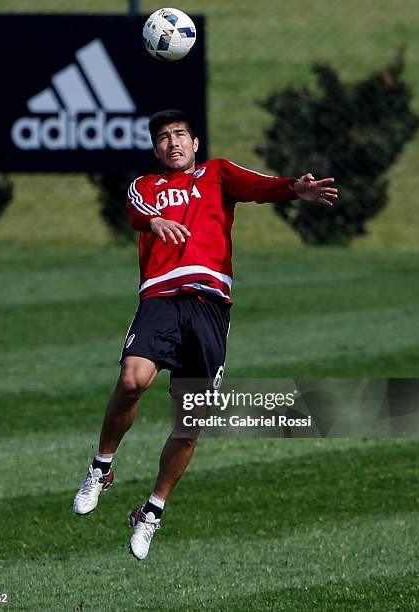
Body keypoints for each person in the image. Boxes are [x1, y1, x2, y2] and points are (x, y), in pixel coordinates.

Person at [73, 109, 338, 560]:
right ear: (155, 149)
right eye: (162, 137)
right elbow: (137, 209)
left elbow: (261, 185)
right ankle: (101, 467)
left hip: (209, 306)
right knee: (133, 379)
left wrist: (296, 187)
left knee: (191, 420)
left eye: (180, 135)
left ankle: (150, 512)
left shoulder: (218, 174)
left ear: (195, 143)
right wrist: (154, 221)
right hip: (160, 299)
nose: (172, 142)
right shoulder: (147, 187)